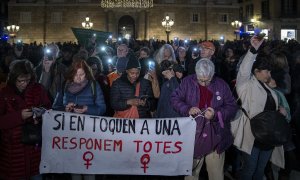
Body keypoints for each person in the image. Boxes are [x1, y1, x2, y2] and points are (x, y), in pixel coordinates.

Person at [171, 59, 238, 180]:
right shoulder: (187, 82)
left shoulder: (221, 84)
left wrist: (216, 114)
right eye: (201, 80)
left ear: (213, 75)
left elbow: (232, 107)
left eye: (207, 80)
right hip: (193, 137)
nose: (204, 84)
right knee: (191, 174)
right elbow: (175, 99)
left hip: (216, 136)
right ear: (196, 74)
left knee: (216, 174)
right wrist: (188, 109)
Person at [234, 36, 285, 180]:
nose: (269, 75)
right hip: (253, 135)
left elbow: (270, 104)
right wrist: (253, 51)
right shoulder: (245, 85)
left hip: (269, 136)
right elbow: (244, 70)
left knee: (260, 169)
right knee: (249, 169)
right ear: (256, 71)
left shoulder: (268, 86)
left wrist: (280, 109)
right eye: (267, 71)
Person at [0, 59, 51, 180]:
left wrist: (40, 114)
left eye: (27, 80)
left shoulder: (38, 89)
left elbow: (48, 109)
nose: (24, 84)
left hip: (35, 151)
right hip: (13, 154)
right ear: (13, 78)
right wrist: (19, 116)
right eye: (20, 80)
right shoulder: (4, 94)